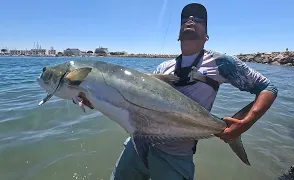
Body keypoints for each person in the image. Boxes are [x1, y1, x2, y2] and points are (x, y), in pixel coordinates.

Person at [73, 3, 278, 180]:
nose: (190, 19)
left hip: (176, 157)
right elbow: (135, 105)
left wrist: (244, 124)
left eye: (198, 18)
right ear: (178, 35)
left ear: (207, 36)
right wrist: (95, 98)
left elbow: (268, 88)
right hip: (136, 146)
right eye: (185, 19)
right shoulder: (163, 68)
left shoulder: (220, 63)